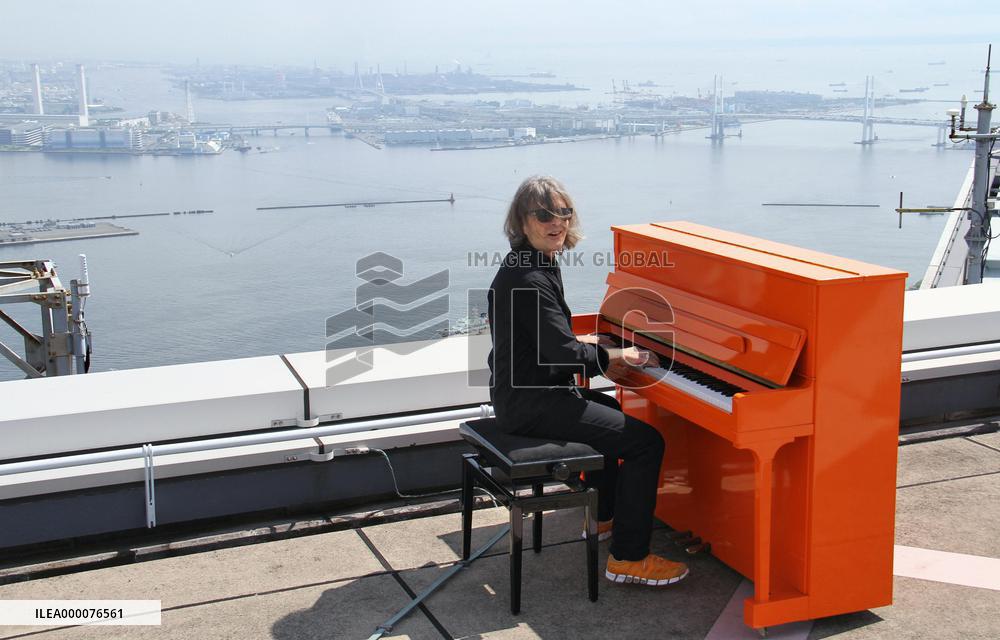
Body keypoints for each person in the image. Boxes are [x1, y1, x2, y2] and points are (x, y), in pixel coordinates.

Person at [486, 175, 688, 586]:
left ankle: (603, 518)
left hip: (522, 393)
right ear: (522, 221)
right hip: (533, 404)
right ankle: (629, 559)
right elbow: (561, 353)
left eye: (564, 212)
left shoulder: (529, 263)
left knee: (608, 408)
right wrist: (616, 355)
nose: (557, 222)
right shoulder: (529, 278)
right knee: (646, 443)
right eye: (544, 214)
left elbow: (545, 339)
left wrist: (588, 344)